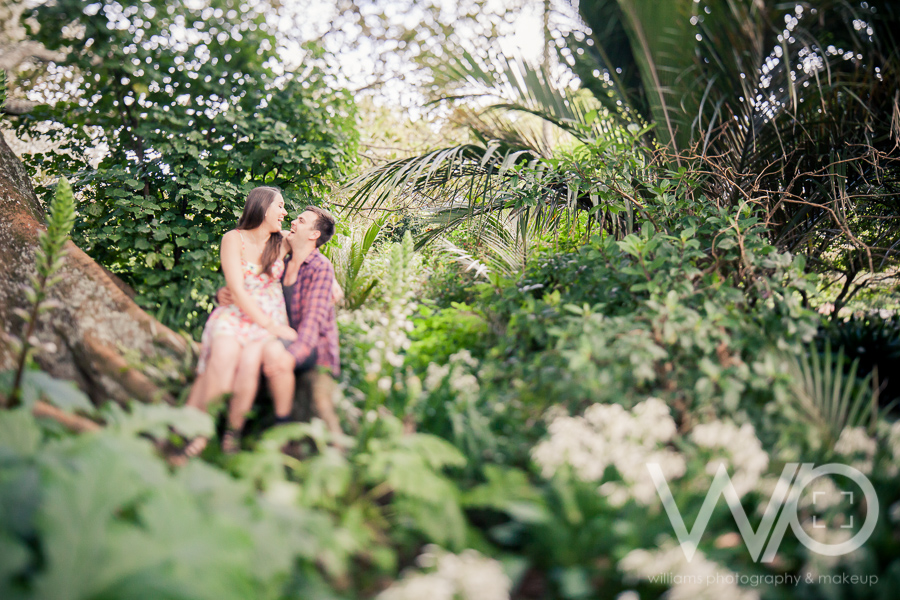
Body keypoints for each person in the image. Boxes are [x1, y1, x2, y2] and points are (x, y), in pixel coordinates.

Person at [178, 186, 301, 460]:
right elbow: (236, 287)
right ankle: (201, 430)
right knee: (223, 355)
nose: (284, 212)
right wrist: (271, 326)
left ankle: (232, 435)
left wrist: (331, 283)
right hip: (236, 314)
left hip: (265, 320)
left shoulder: (283, 241)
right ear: (262, 206)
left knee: (248, 368)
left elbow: (312, 246)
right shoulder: (234, 239)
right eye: (279, 206)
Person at [222, 206, 342, 445]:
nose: (293, 222)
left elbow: (312, 326)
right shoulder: (283, 263)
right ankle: (232, 431)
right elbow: (253, 288)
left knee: (272, 352)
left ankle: (281, 429)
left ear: (314, 235)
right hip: (283, 335)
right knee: (254, 349)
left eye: (301, 220)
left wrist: (291, 357)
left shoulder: (320, 268)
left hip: (313, 347)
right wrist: (224, 295)